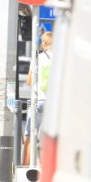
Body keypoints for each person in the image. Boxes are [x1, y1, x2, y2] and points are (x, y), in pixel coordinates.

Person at [22, 30, 52, 165]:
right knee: (51, 137)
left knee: (29, 135)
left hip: (39, 101)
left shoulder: (38, 58)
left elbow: (29, 81)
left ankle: (24, 166)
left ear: (44, 44)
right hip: (53, 103)